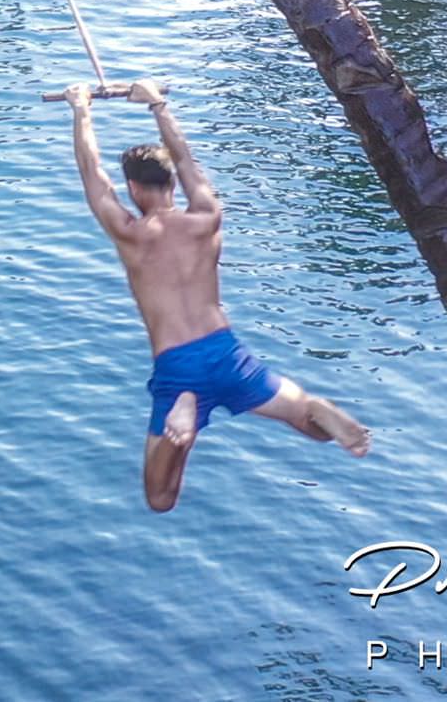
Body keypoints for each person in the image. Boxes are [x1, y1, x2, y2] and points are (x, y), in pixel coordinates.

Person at [63, 80, 370, 513]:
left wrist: (81, 110)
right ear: (173, 183)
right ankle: (315, 406)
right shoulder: (207, 216)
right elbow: (187, 159)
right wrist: (158, 105)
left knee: (160, 497)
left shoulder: (131, 234)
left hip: (178, 369)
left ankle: (181, 426)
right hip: (227, 353)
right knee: (308, 422)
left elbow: (93, 178)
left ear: (132, 188)